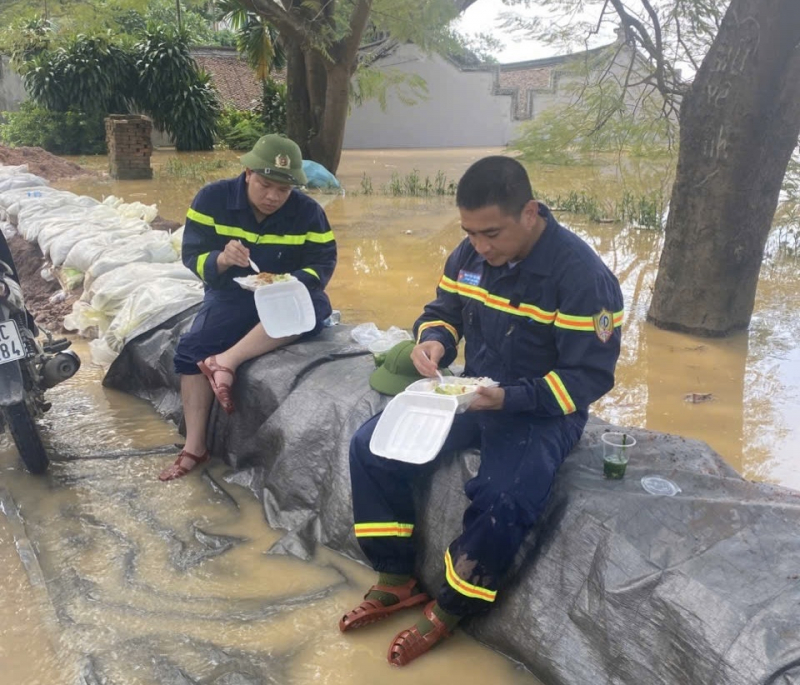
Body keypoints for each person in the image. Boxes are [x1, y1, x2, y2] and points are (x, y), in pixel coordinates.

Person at [339, 156, 624, 666]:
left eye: (491, 233)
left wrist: (511, 398)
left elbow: (588, 377)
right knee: (372, 445)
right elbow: (443, 311)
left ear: (531, 213)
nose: (480, 246)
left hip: (542, 410)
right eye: (469, 232)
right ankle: (396, 577)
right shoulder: (468, 255)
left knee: (505, 497)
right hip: (471, 392)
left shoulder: (583, 277)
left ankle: (451, 609)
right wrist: (434, 342)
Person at [159, 135, 337, 481]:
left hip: (284, 293)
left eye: (283, 190)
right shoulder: (212, 199)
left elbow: (323, 263)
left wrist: (290, 281)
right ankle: (195, 447)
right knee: (191, 350)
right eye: (265, 185)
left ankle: (226, 361)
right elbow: (192, 256)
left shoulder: (309, 213)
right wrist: (222, 260)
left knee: (316, 307)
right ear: (247, 174)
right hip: (232, 294)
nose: (272, 197)